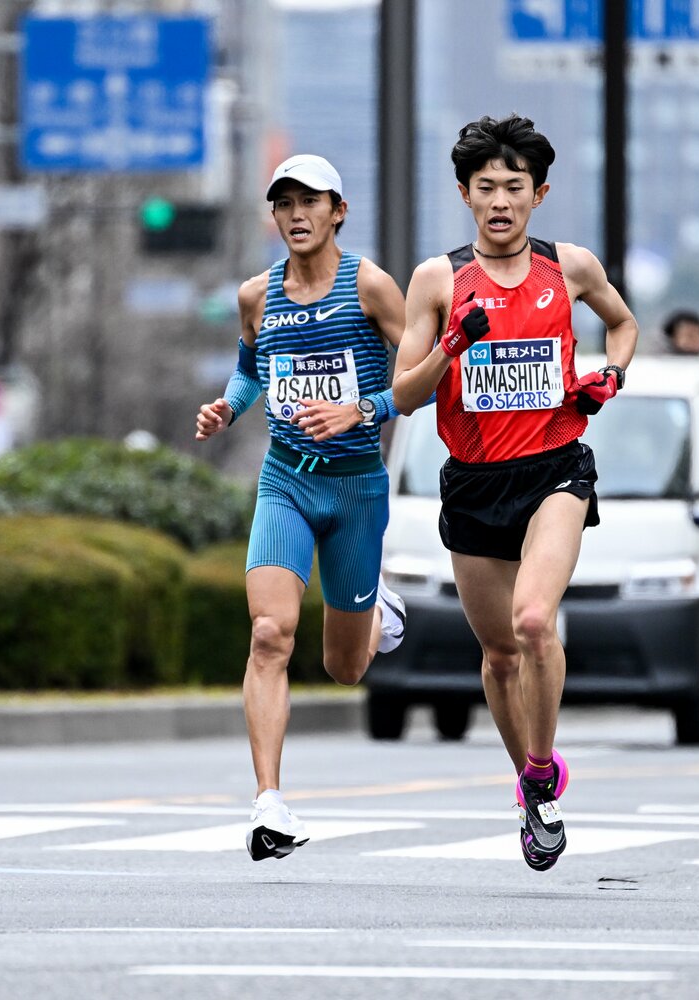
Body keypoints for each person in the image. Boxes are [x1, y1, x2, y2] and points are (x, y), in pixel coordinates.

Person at [392, 114, 638, 872]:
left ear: (540, 194)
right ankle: (531, 786)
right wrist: (451, 348)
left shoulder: (570, 269)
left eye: (515, 188)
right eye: (487, 188)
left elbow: (624, 325)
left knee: (535, 620)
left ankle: (541, 771)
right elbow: (404, 395)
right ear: (465, 195)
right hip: (473, 482)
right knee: (499, 656)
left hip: (554, 468)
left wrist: (611, 374)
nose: (501, 202)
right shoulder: (438, 280)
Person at [194, 154, 409, 861]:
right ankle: (270, 804)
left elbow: (424, 376)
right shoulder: (256, 295)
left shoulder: (371, 285)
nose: (296, 215)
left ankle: (380, 614)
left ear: (337, 211)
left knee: (345, 667)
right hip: (285, 480)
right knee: (267, 634)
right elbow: (253, 366)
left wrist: (361, 410)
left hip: (356, 488)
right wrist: (230, 405)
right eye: (283, 203)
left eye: (309, 202)